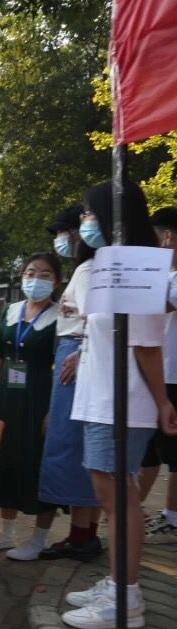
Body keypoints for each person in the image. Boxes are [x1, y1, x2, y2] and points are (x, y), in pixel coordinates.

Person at [62, 180, 177, 629]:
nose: (84, 222)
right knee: (112, 497)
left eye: (90, 213)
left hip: (121, 402)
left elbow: (146, 345)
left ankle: (126, 600)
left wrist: (162, 402)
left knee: (119, 501)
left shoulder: (140, 268)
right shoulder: (106, 267)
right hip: (100, 399)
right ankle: (118, 585)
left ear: (114, 216)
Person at [0, 253, 60, 559]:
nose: (35, 279)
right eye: (30, 272)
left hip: (40, 397)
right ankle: (7, 532)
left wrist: (54, 409)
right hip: (7, 397)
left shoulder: (61, 316)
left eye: (44, 274)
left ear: (56, 281)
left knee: (37, 462)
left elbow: (63, 369)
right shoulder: (11, 311)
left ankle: (39, 539)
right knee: (7, 458)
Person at [37, 212, 104, 559]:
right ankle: (86, 533)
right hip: (78, 352)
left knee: (71, 447)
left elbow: (98, 319)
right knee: (79, 447)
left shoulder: (89, 270)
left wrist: (80, 351)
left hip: (75, 355)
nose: (60, 239)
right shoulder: (88, 269)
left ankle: (80, 537)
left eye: (64, 232)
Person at [140, 206, 177, 544]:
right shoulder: (165, 276)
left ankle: (173, 518)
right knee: (153, 446)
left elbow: (156, 306)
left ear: (167, 237)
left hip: (174, 376)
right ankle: (139, 509)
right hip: (159, 372)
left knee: (174, 451)